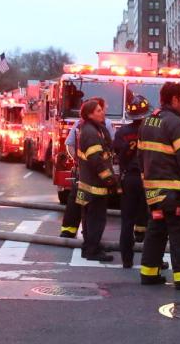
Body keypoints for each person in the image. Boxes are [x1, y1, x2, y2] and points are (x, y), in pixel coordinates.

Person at [138, 82, 180, 290]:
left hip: (153, 192)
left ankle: (149, 272)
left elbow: (140, 157)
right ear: (174, 99)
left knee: (156, 230)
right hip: (174, 192)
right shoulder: (176, 123)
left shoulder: (147, 121)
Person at [60, 98, 116, 238]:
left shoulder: (79, 124)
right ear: (92, 113)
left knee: (78, 202)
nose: (104, 111)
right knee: (92, 210)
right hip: (94, 175)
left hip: (82, 172)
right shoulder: (105, 125)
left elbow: (70, 144)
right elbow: (110, 149)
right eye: (101, 109)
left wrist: (78, 162)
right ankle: (89, 239)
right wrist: (109, 174)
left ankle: (69, 231)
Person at [75, 98, 117, 262]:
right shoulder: (91, 133)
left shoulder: (93, 129)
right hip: (95, 186)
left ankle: (90, 247)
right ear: (89, 114)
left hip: (89, 185)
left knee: (90, 219)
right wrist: (110, 180)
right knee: (96, 219)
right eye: (98, 110)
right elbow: (97, 160)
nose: (103, 112)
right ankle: (92, 250)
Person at [113, 94, 151, 268]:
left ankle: (126, 260)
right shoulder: (152, 131)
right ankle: (152, 258)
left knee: (127, 221)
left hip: (129, 178)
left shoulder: (122, 132)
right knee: (152, 220)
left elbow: (118, 158)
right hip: (149, 179)